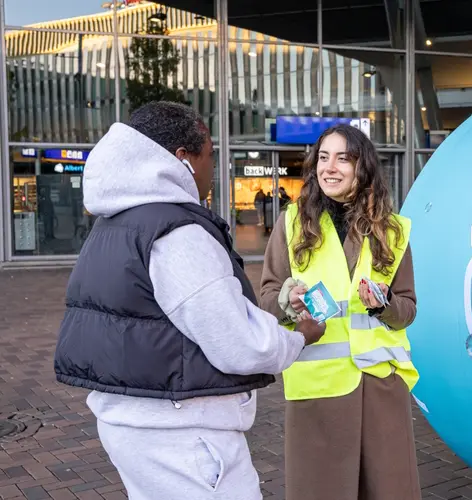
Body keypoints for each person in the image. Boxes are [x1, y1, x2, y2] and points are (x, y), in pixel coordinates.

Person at [52, 101, 325, 500]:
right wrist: (300, 336)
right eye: (210, 153)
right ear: (184, 159)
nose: (213, 167)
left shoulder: (115, 222)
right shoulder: (177, 232)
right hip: (183, 434)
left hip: (134, 422)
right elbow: (239, 342)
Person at [260, 124, 420, 500]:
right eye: (324, 157)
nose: (329, 167)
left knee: (388, 490)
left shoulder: (393, 231)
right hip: (318, 391)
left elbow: (408, 309)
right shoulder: (292, 223)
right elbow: (267, 297)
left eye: (343, 158)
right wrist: (287, 300)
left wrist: (384, 305)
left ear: (362, 167)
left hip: (381, 388)